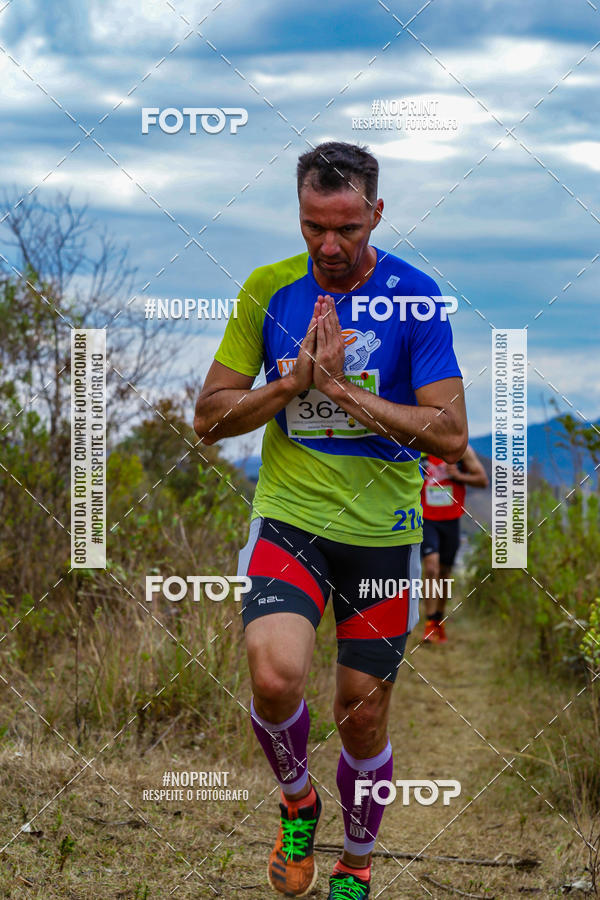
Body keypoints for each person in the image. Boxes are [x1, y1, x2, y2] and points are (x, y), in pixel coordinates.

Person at [193, 141, 467, 899]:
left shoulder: (416, 298)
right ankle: (297, 803)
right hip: (291, 522)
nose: (330, 245)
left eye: (347, 227)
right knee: (275, 676)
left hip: (381, 538)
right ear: (300, 215)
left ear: (377, 213)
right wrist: (292, 386)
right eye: (315, 226)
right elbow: (208, 420)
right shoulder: (267, 290)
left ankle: (357, 862)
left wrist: (346, 396)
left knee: (361, 715)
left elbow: (450, 434)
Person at [420, 446, 488, 644]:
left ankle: (438, 619)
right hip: (426, 518)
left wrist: (458, 475)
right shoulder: (419, 446)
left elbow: (482, 480)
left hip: (451, 519)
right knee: (431, 567)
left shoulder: (461, 450)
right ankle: (429, 624)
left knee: (444, 571)